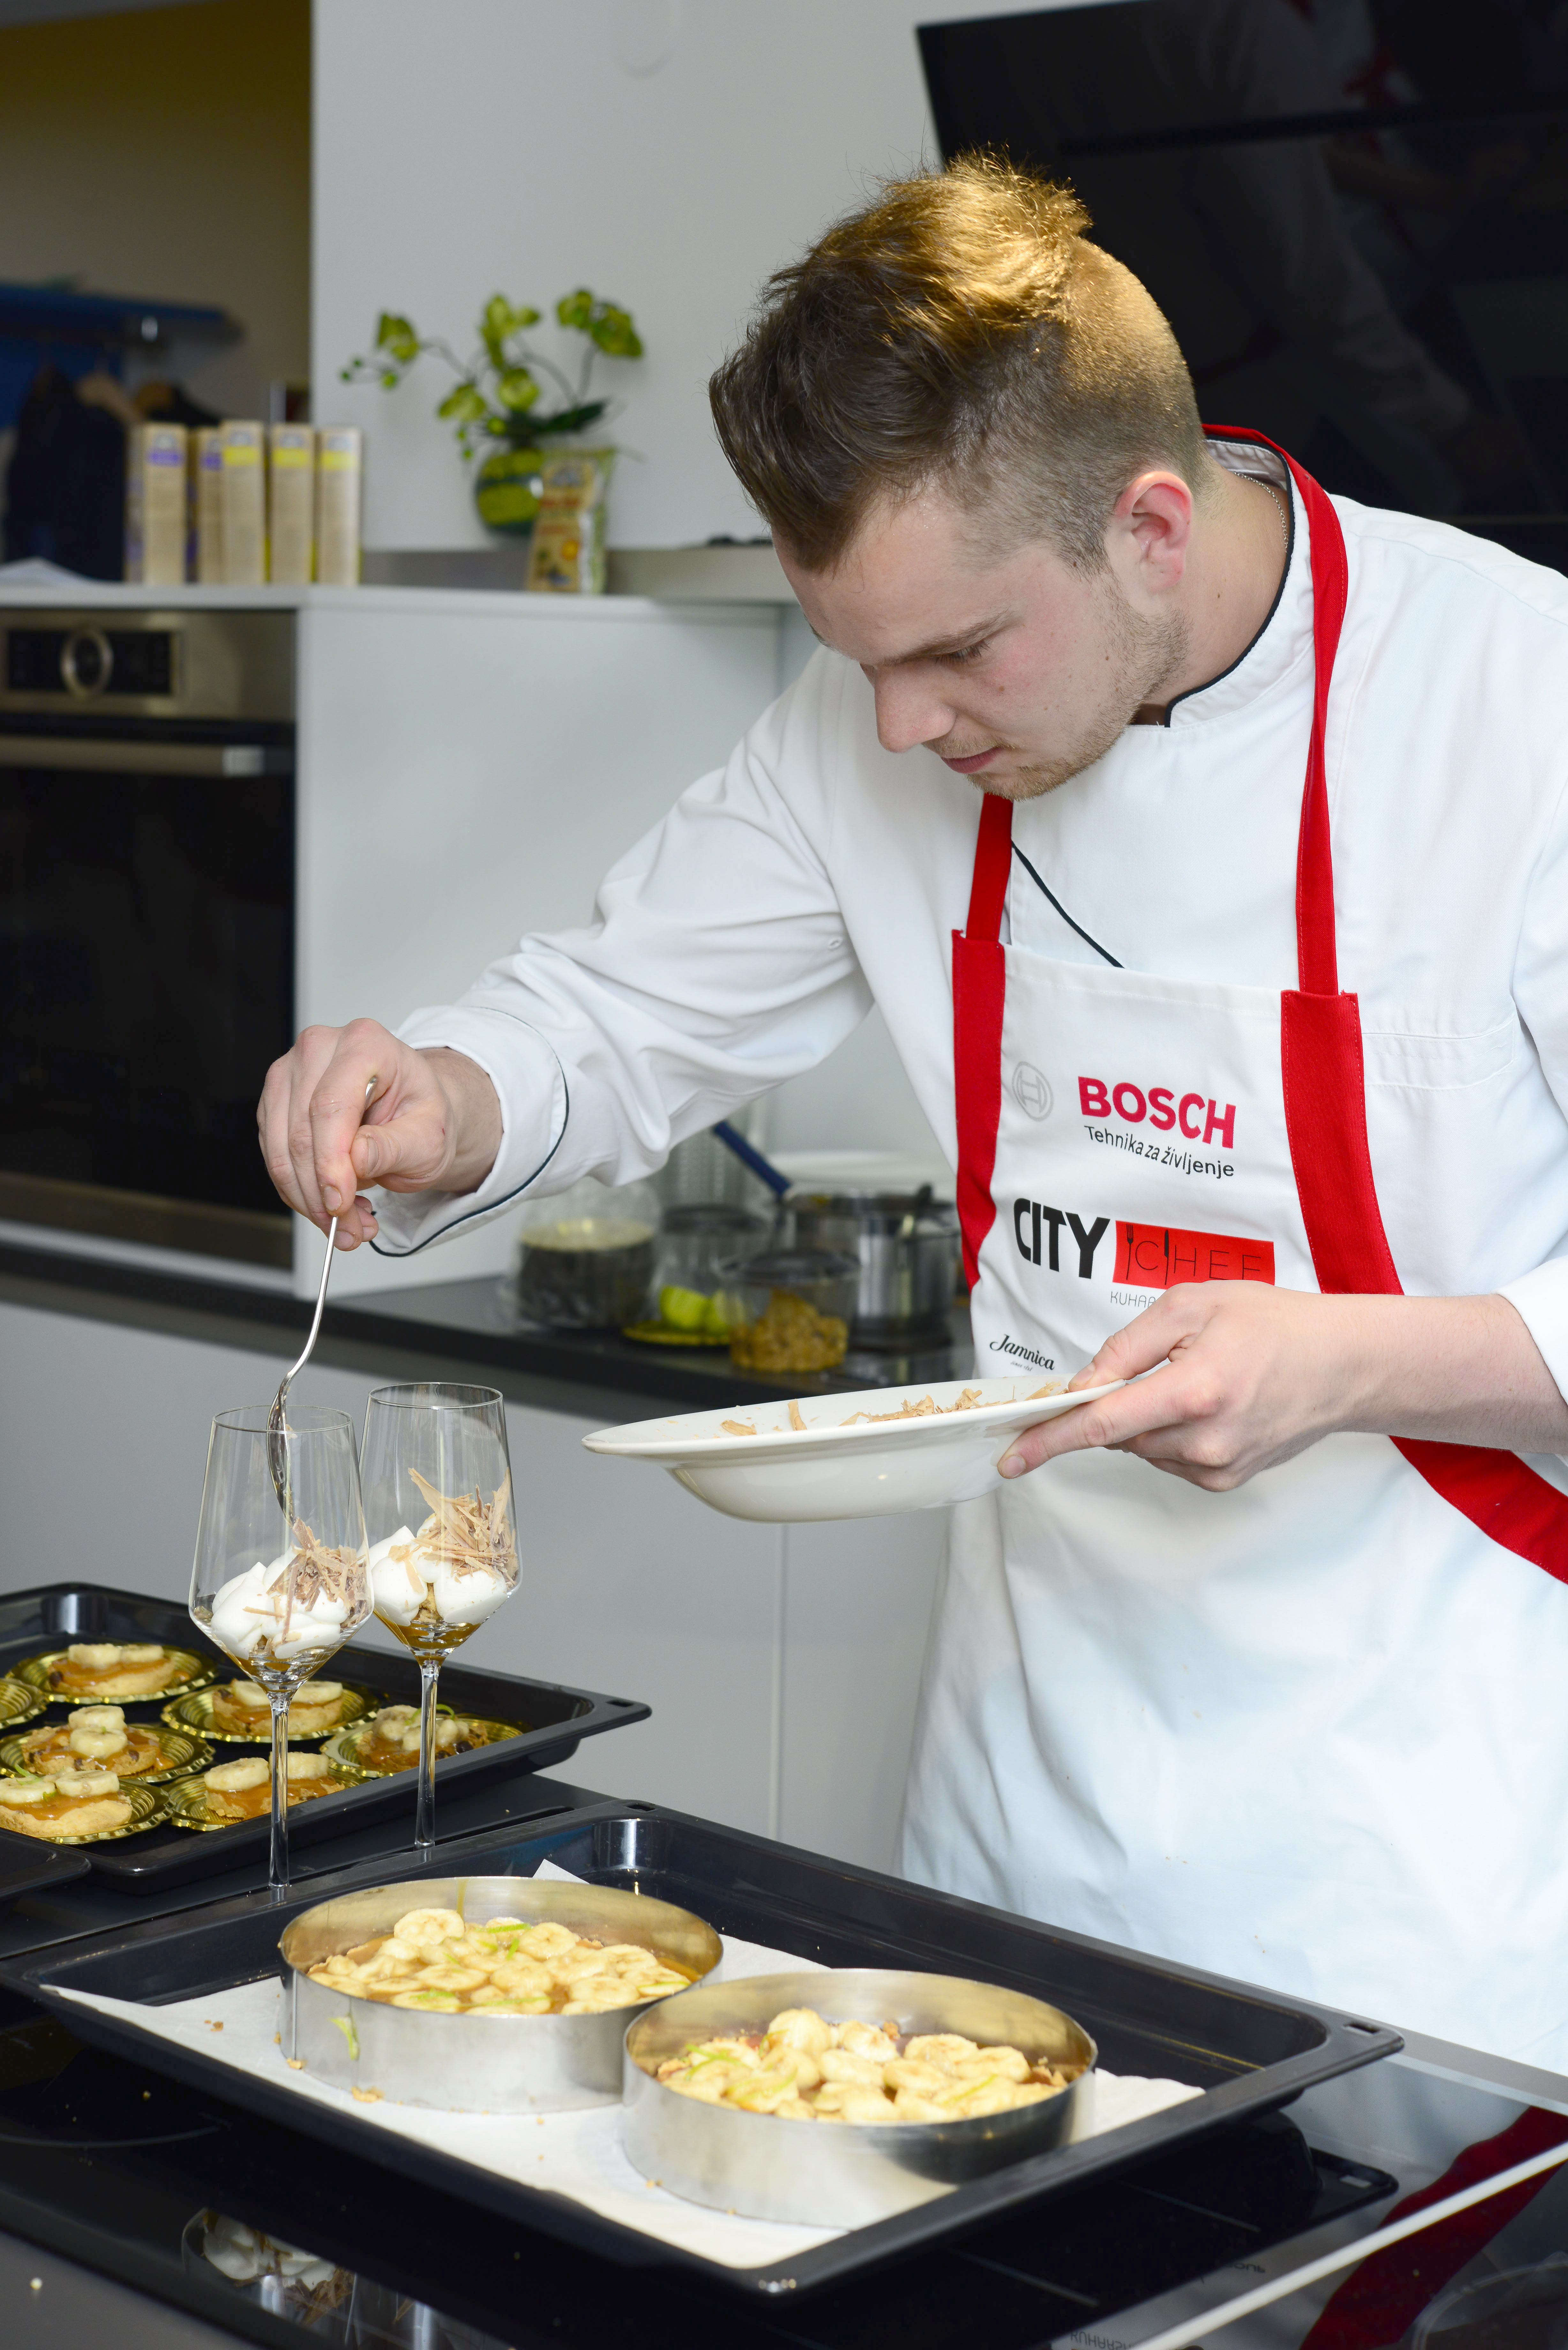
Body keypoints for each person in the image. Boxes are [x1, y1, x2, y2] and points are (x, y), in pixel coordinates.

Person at [259, 161, 1568, 2068]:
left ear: (1147, 524)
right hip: (1024, 1831)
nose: (899, 729)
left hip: (1436, 1864)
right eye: (855, 658)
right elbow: (617, 1014)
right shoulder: (877, 721)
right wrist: (444, 1095)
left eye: (956, 655)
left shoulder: (1519, 708)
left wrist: (1356, 1360)